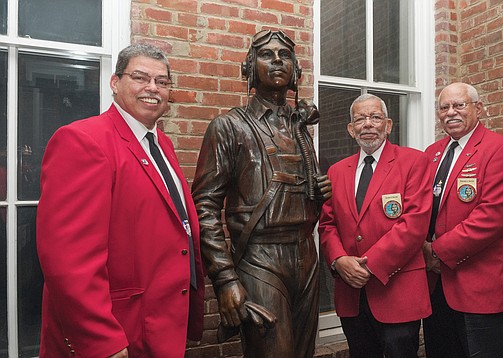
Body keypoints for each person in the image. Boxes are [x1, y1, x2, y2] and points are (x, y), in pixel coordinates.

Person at [36, 43, 205, 357]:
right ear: (115, 83)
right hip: (118, 332)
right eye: (140, 77)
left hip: (159, 324)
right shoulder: (83, 141)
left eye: (162, 81)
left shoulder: (161, 143)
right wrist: (103, 341)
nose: (152, 88)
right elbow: (68, 262)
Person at [191, 29, 331, 358]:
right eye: (267, 55)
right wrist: (225, 278)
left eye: (285, 55)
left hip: (306, 256)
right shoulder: (229, 127)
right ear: (251, 67)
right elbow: (205, 207)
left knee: (303, 352)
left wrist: (317, 192)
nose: (278, 61)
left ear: (296, 70)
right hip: (260, 257)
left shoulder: (299, 126)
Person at [318, 94, 432, 358]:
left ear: (388, 125)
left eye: (375, 117)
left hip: (397, 292)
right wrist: (338, 260)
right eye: (360, 119)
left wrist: (367, 266)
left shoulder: (414, 162)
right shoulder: (336, 171)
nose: (367, 124)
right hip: (351, 296)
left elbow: (414, 224)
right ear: (350, 128)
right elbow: (327, 224)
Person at [422, 82, 503, 358]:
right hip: (437, 286)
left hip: (481, 287)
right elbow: (419, 207)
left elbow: (491, 218)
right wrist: (420, 245)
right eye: (444, 107)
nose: (450, 112)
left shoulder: (501, 149)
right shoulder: (432, 153)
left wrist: (436, 252)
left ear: (478, 108)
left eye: (459, 105)